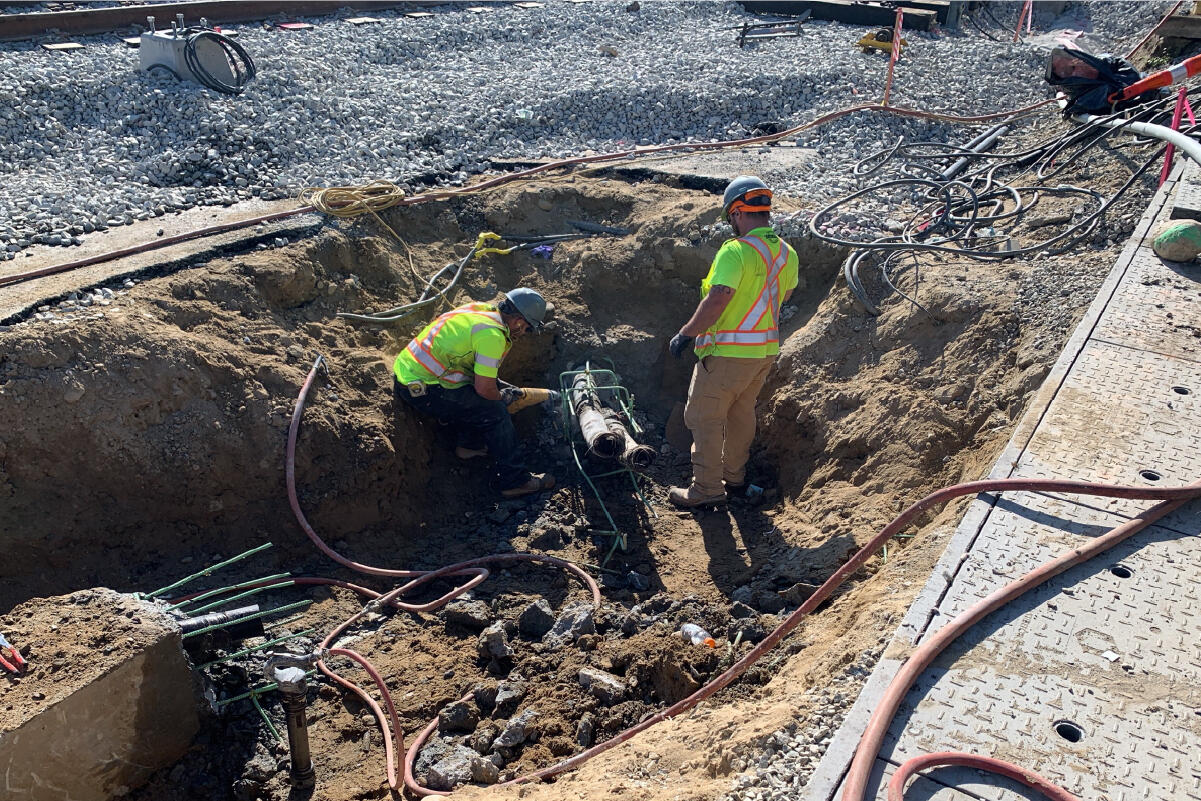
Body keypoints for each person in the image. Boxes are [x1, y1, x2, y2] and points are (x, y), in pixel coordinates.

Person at [666, 175, 799, 508]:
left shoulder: (735, 251)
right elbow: (786, 293)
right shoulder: (786, 253)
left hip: (728, 353)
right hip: (763, 351)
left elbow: (719, 297)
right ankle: (734, 479)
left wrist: (687, 333)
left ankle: (707, 489)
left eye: (731, 218)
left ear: (737, 213)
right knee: (741, 414)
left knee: (703, 416)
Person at [393, 288, 555, 498]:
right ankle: (515, 481)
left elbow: (479, 374)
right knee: (496, 413)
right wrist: (503, 398)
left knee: (487, 399)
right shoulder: (492, 337)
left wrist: (504, 391)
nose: (524, 333)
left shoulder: (480, 310)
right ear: (517, 321)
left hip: (411, 371)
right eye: (527, 328)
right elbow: (484, 389)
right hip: (424, 390)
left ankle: (468, 446)